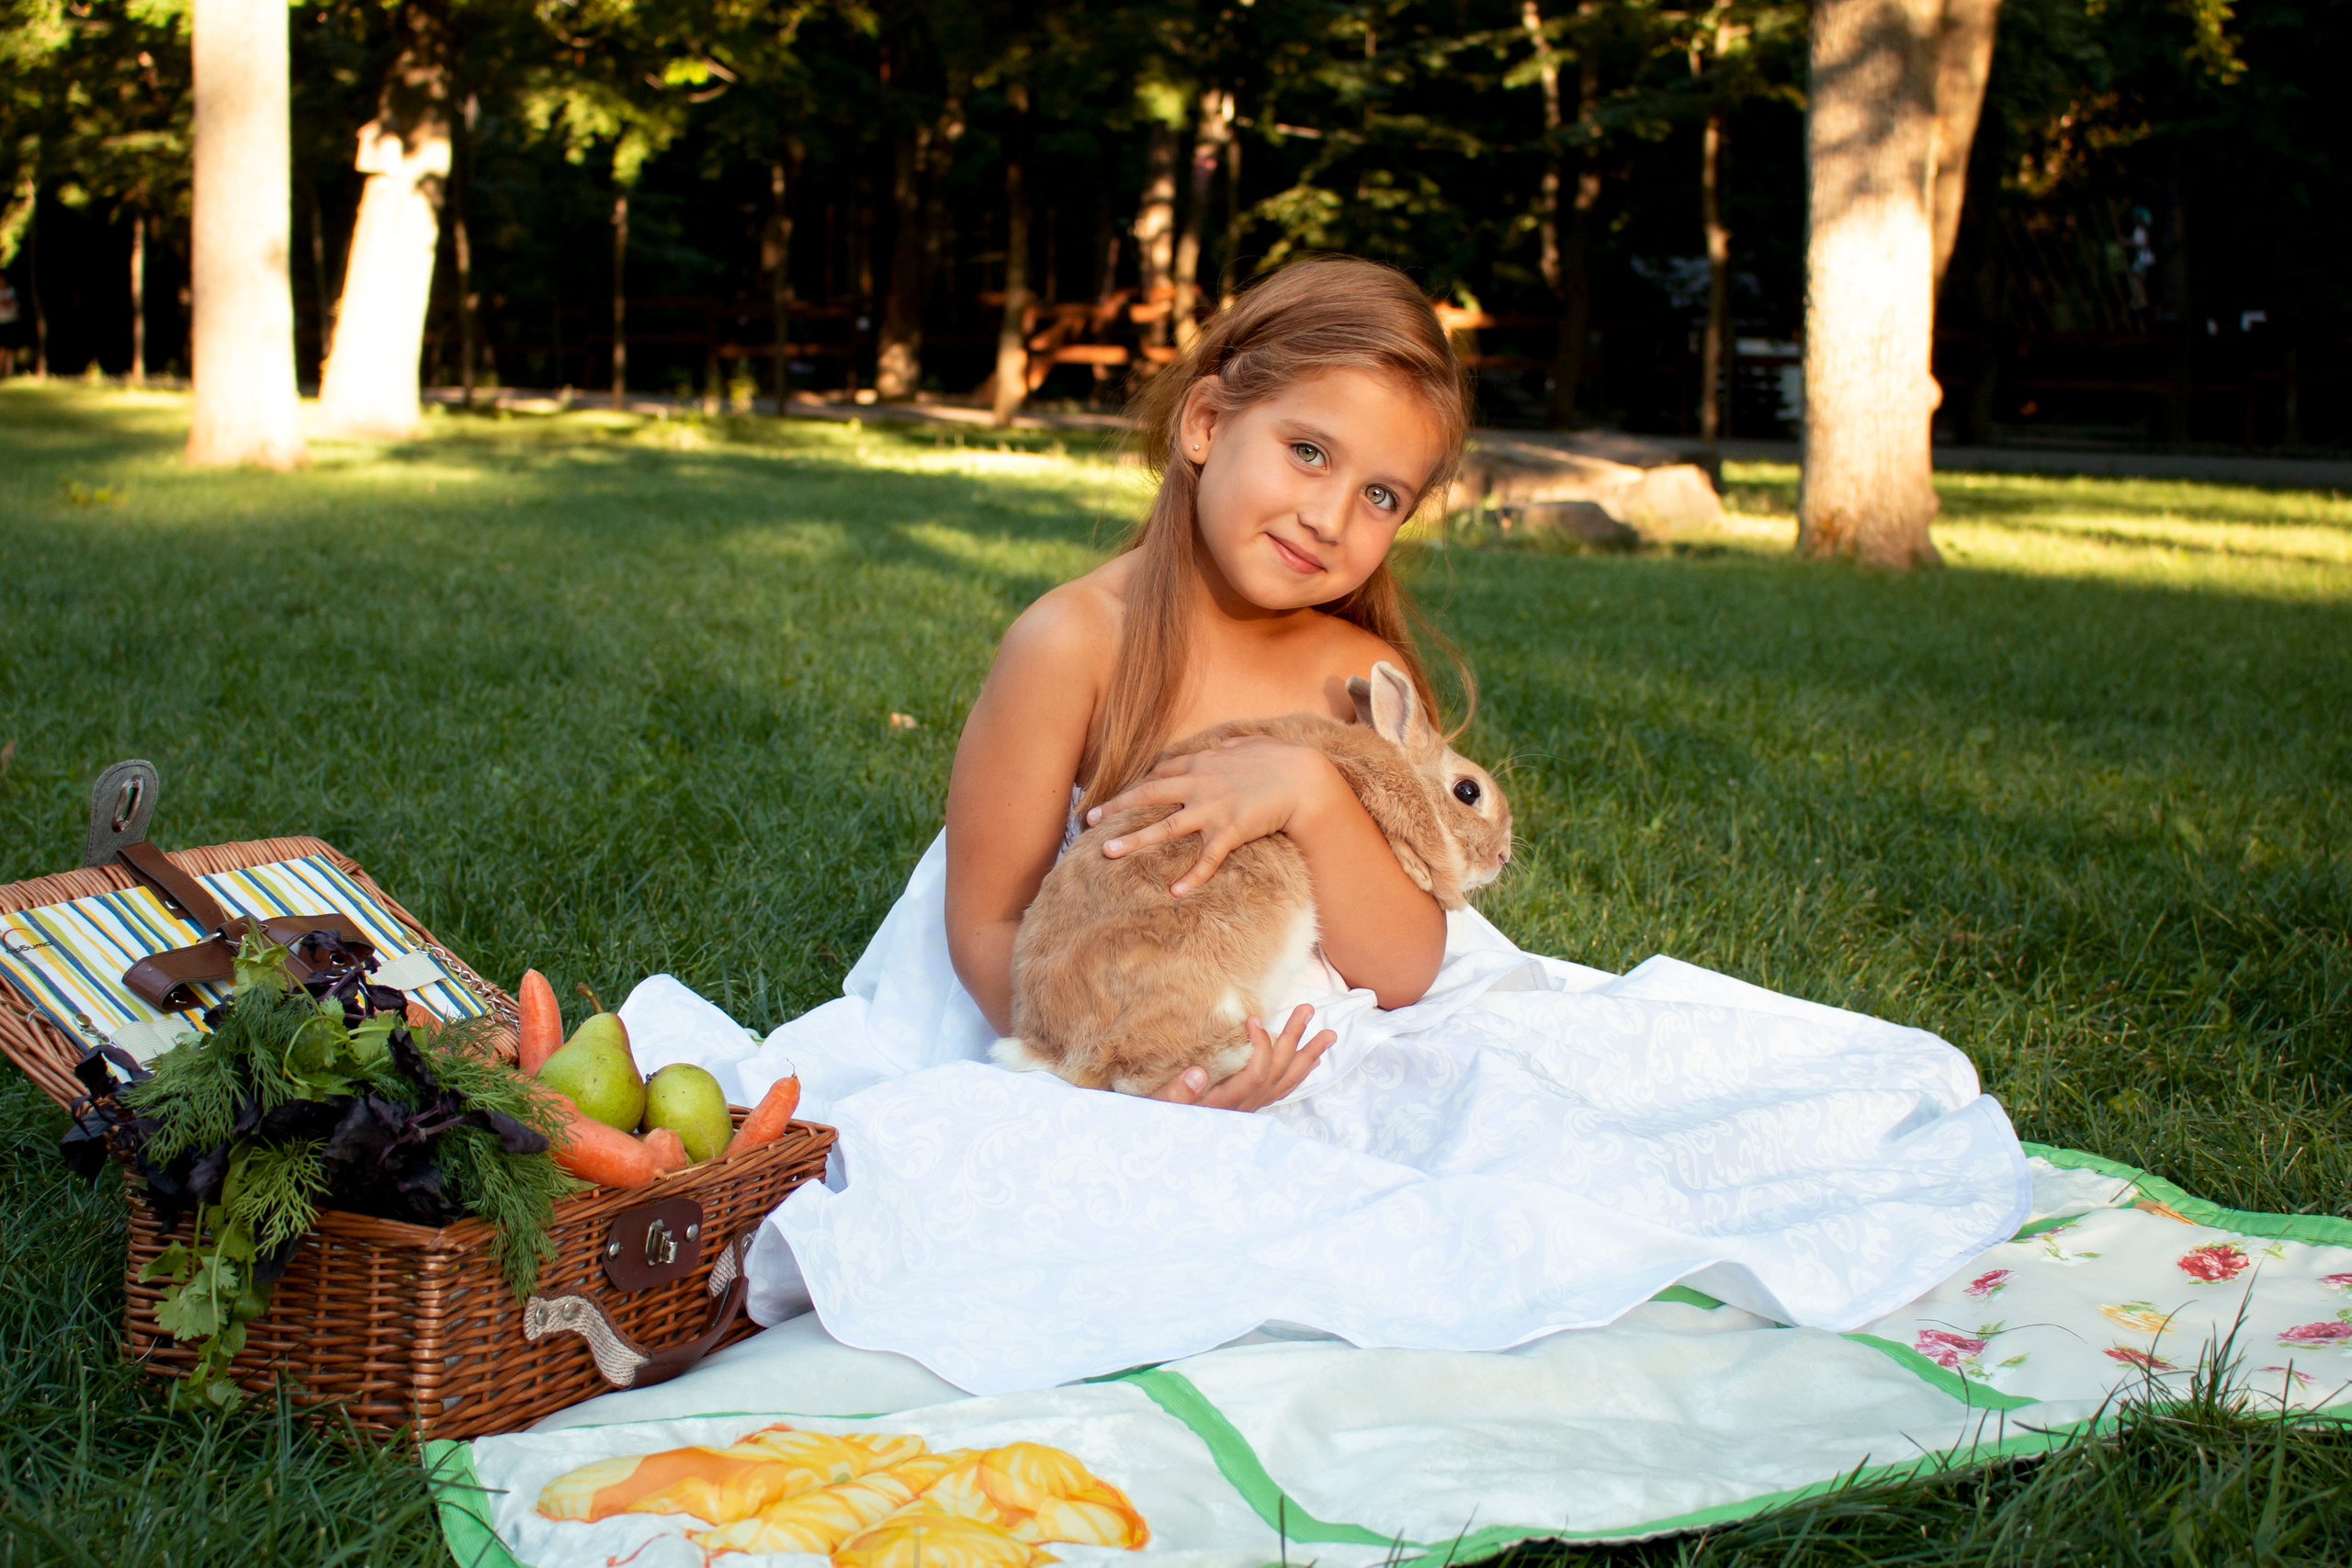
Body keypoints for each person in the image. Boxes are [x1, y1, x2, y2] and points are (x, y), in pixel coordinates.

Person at [942, 255, 1472, 1112]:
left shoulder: (1359, 678)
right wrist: (1150, 1079)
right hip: (1085, 1037)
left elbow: (1405, 967)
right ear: (1206, 422)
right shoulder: (1073, 643)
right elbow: (986, 927)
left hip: (1313, 1049)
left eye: (1380, 494)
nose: (1328, 517)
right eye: (1307, 452)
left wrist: (1311, 791)